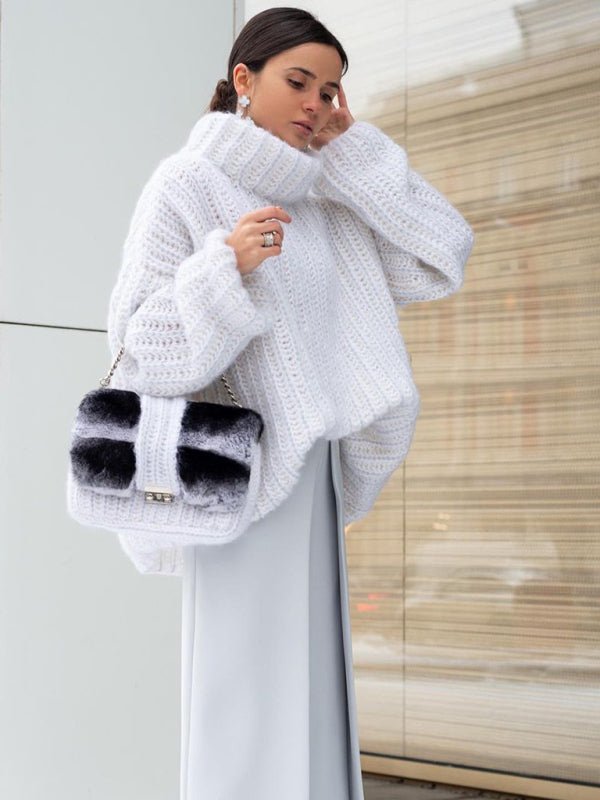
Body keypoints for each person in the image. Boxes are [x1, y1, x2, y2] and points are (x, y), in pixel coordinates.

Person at [106, 7, 475, 799]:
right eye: (297, 81)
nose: (315, 102)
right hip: (230, 468)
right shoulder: (186, 183)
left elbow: (440, 255)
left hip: (314, 471)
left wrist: (357, 151)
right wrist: (223, 268)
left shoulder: (328, 198)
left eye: (332, 89)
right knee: (241, 683)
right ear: (245, 80)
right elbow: (140, 345)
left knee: (312, 676)